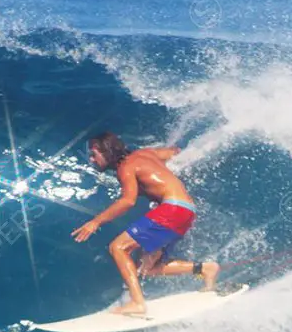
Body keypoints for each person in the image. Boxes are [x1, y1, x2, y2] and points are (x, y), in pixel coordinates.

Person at [71, 131, 220, 316]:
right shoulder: (147, 154)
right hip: (187, 210)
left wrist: (95, 222)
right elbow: (174, 151)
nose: (92, 160)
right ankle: (205, 268)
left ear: (107, 151)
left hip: (171, 210)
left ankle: (137, 303)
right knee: (148, 268)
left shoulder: (125, 167)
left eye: (94, 154)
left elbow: (128, 201)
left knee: (118, 248)